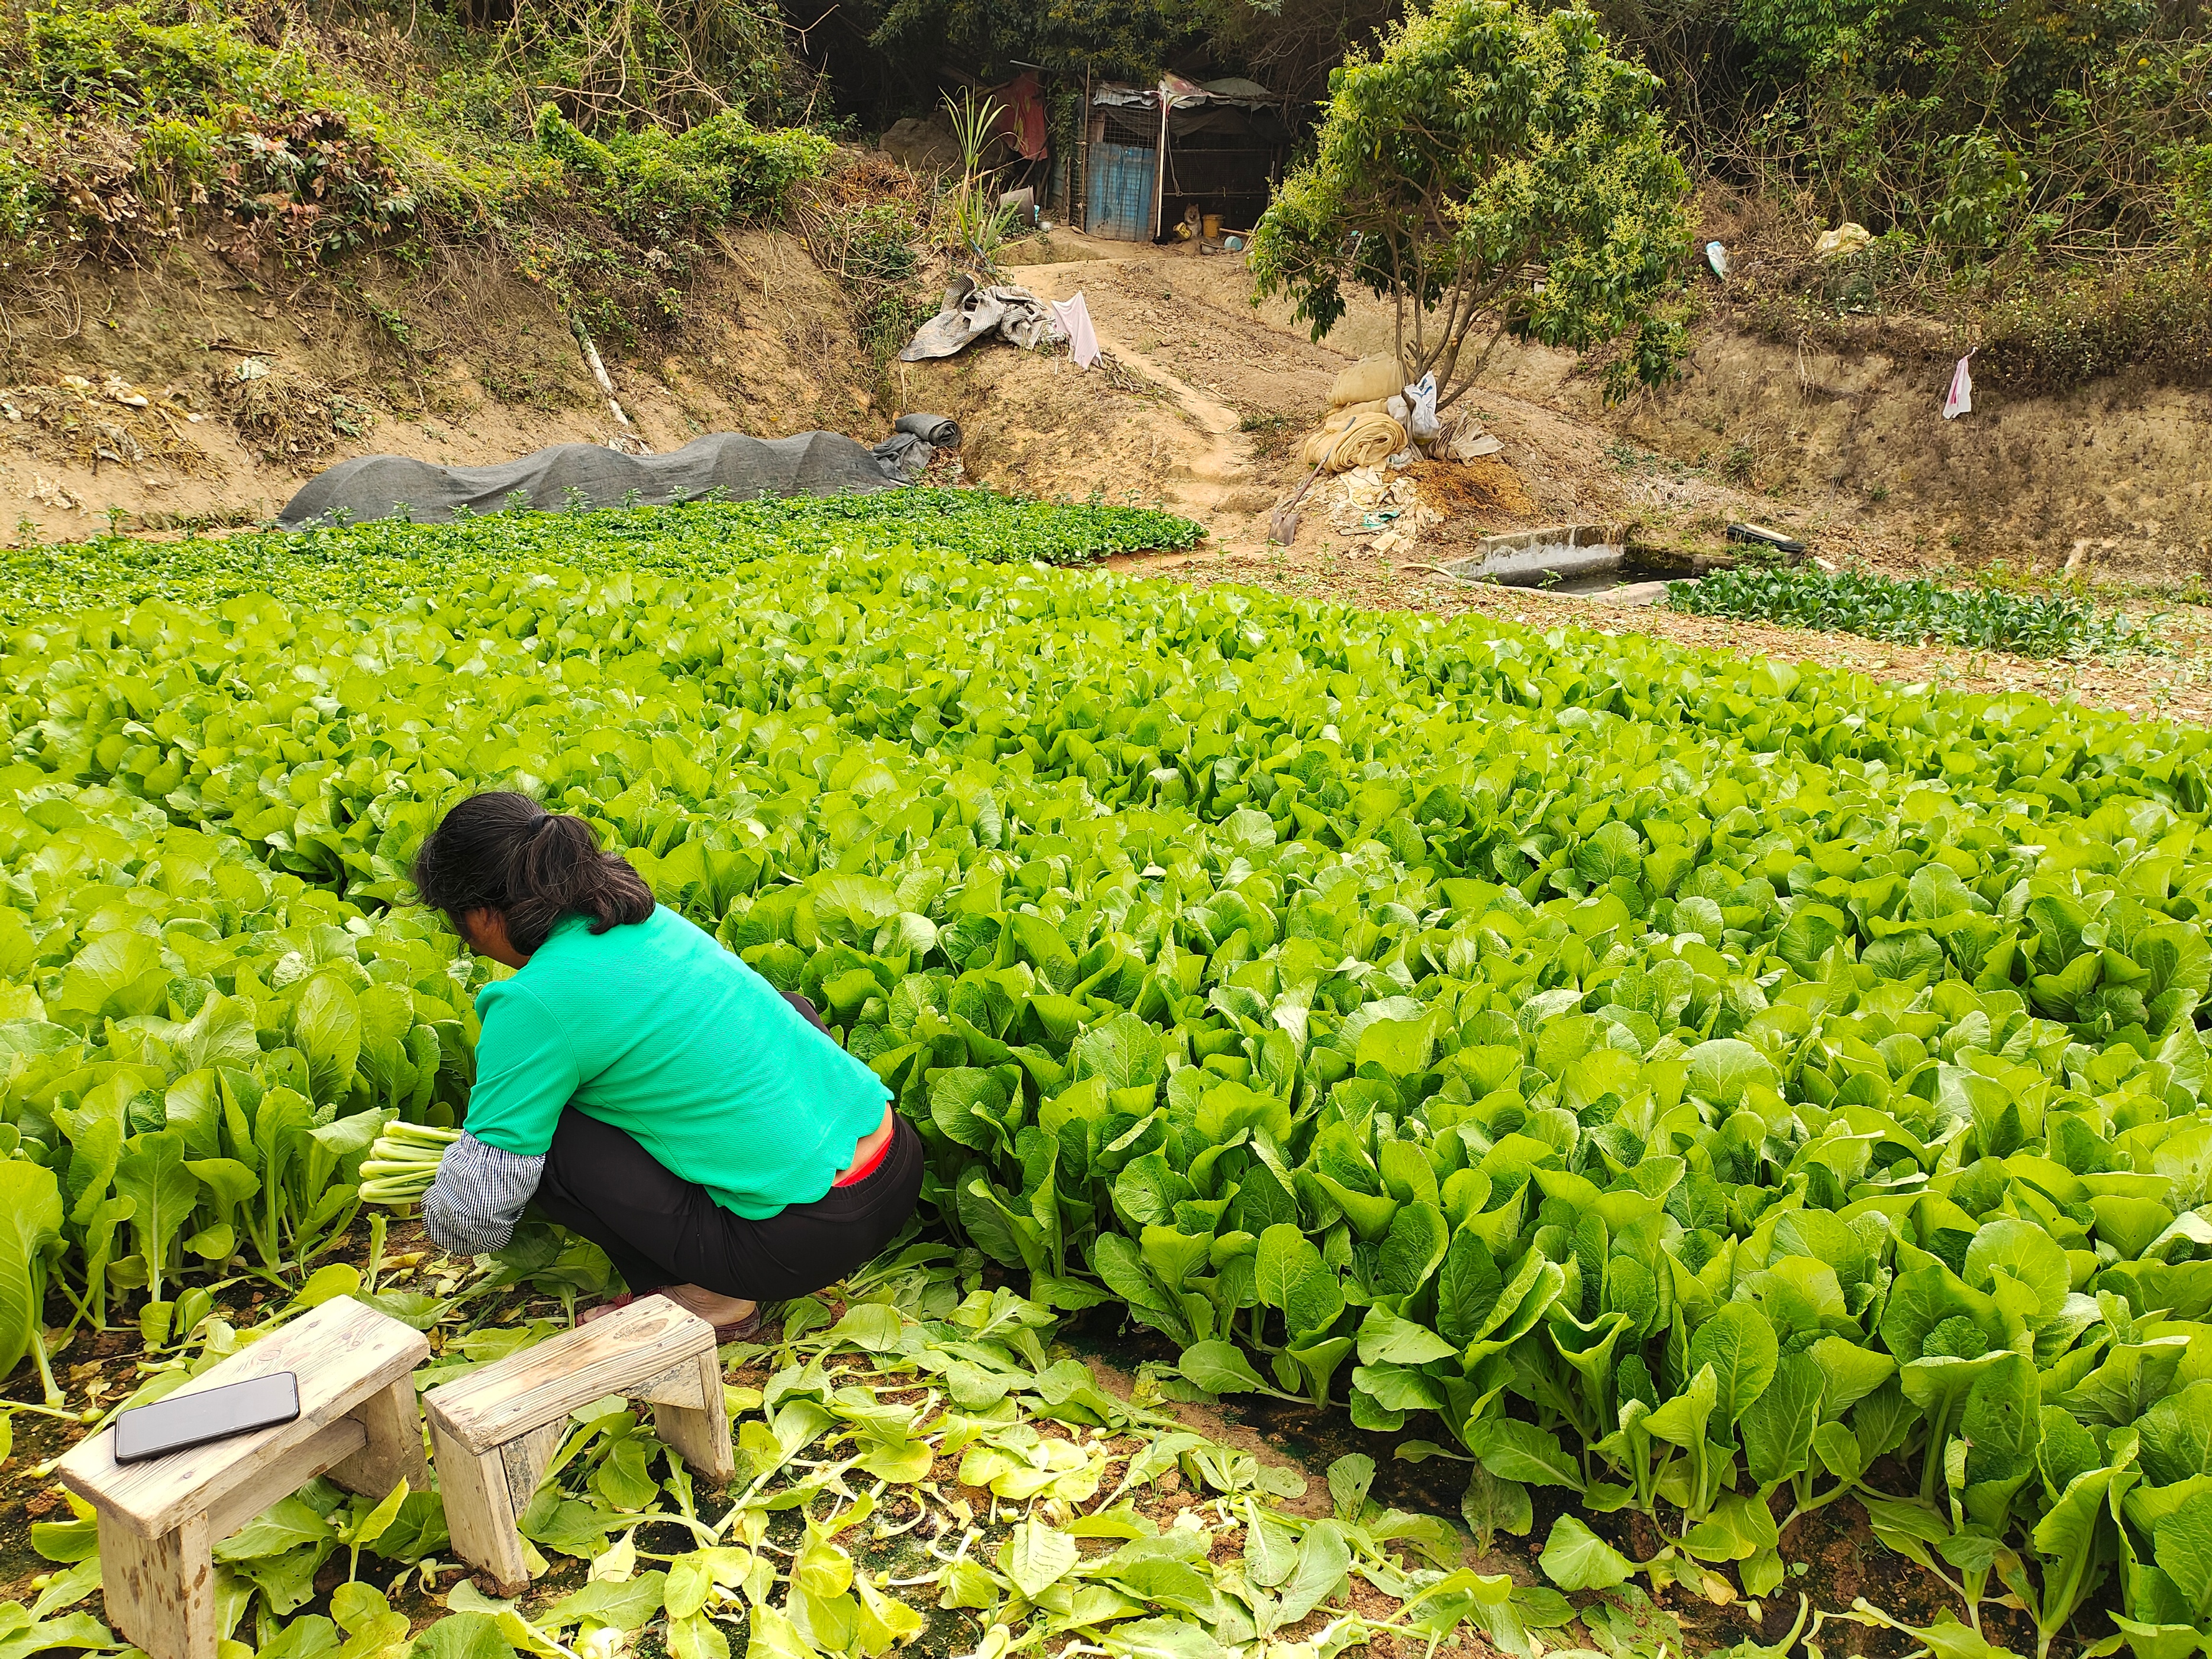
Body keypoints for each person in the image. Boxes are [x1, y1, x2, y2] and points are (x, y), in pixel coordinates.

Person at [411, 791, 921, 1340]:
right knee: (787, 1009)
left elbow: (475, 1213)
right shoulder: (647, 921)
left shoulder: (533, 1003)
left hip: (798, 1245)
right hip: (895, 1167)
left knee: (549, 1138)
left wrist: (442, 1205)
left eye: (454, 921)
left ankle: (713, 1297)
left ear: (483, 913)